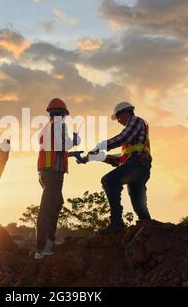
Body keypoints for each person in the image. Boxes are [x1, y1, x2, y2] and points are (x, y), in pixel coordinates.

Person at [90, 102, 152, 235]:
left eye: (118, 117)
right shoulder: (131, 143)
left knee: (109, 181)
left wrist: (101, 146)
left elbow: (123, 137)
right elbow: (121, 160)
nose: (118, 121)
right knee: (139, 205)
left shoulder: (136, 121)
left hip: (138, 165)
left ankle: (117, 223)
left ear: (125, 112)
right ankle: (149, 229)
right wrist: (99, 157)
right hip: (138, 168)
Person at [35, 98, 80, 259]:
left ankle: (47, 242)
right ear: (62, 113)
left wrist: (73, 153)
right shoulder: (59, 125)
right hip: (54, 173)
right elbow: (63, 147)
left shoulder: (47, 127)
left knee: (56, 204)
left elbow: (56, 150)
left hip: (45, 172)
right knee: (47, 209)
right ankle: (42, 248)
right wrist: (74, 141)